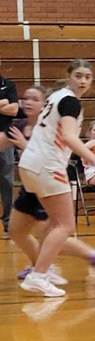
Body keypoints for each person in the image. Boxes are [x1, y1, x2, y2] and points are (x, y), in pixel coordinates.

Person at [13, 61, 95, 296]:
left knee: (36, 226)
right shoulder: (70, 101)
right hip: (47, 165)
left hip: (29, 163)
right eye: (78, 75)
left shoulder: (56, 96)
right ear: (69, 76)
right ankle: (38, 275)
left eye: (87, 77)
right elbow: (69, 137)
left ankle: (42, 268)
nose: (82, 81)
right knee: (65, 224)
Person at [0, 59, 19, 233]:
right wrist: (2, 104)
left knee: (6, 181)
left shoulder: (8, 85)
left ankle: (7, 221)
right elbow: (7, 106)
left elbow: (14, 110)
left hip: (5, 139)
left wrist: (8, 105)